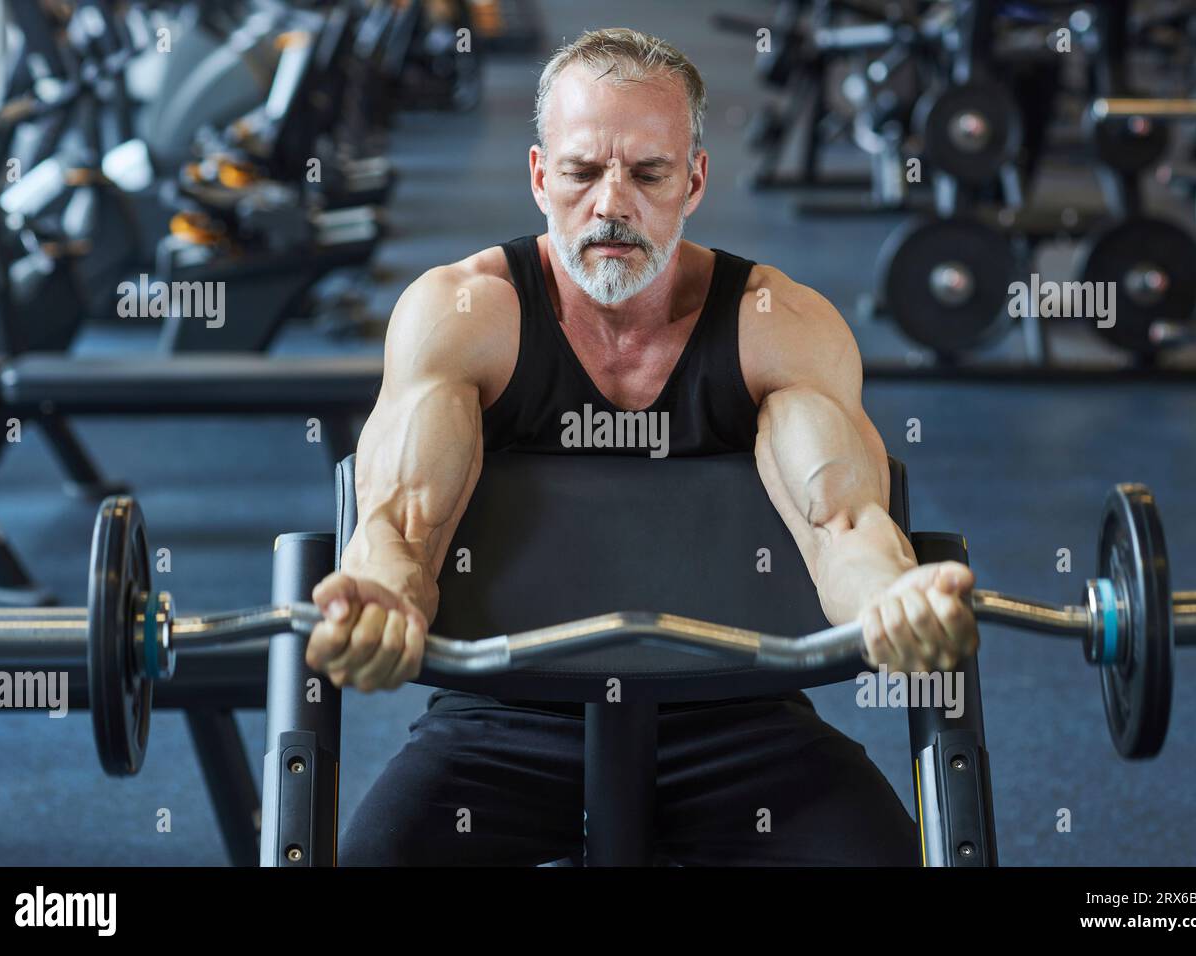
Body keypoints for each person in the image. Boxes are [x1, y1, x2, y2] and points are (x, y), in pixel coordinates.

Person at [310, 27, 978, 866]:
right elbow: (401, 525)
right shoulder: (465, 315)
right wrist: (379, 597)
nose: (612, 205)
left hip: (737, 723)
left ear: (693, 178)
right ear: (540, 175)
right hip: (508, 724)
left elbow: (844, 524)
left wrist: (891, 601)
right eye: (584, 171)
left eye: (649, 173)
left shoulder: (779, 327)